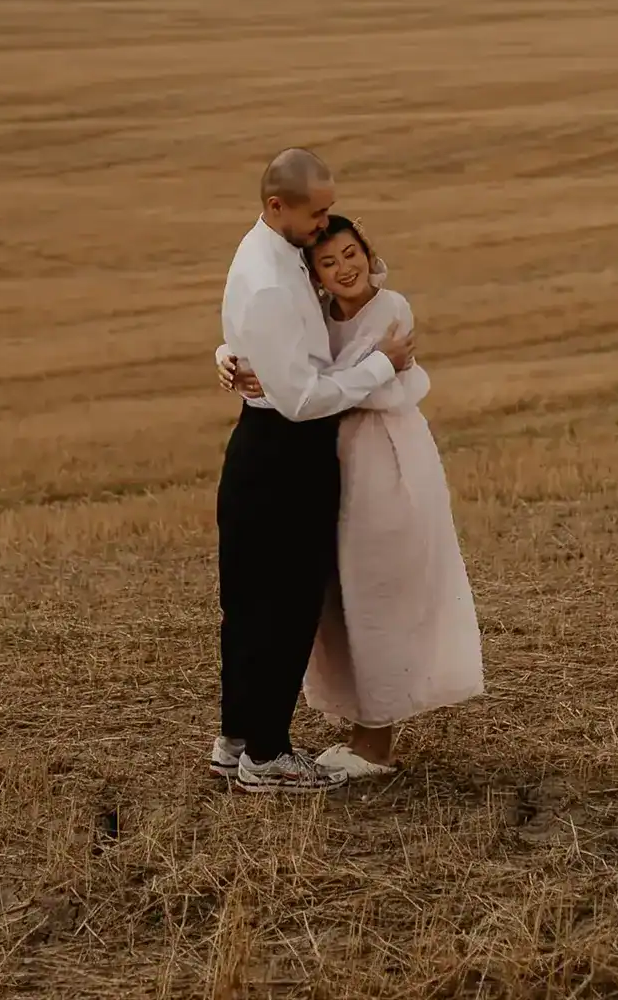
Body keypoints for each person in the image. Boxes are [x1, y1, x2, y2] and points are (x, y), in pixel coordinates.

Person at [219, 215, 483, 780]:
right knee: (340, 599)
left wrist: (281, 379)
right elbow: (282, 348)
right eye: (328, 262)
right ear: (313, 275)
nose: (343, 268)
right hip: (331, 460)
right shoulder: (315, 313)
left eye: (350, 253)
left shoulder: (393, 311)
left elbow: (328, 383)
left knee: (379, 590)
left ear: (368, 250)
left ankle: (375, 743)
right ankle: (361, 730)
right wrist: (233, 357)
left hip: (383, 461)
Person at [214, 151, 416, 794]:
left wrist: (226, 357)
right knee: (283, 602)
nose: (326, 223)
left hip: (262, 442)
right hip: (286, 449)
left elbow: (259, 343)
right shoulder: (274, 276)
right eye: (318, 211)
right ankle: (267, 756)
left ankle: (237, 740)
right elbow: (301, 399)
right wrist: (381, 366)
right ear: (279, 206)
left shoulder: (266, 250)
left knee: (248, 600)